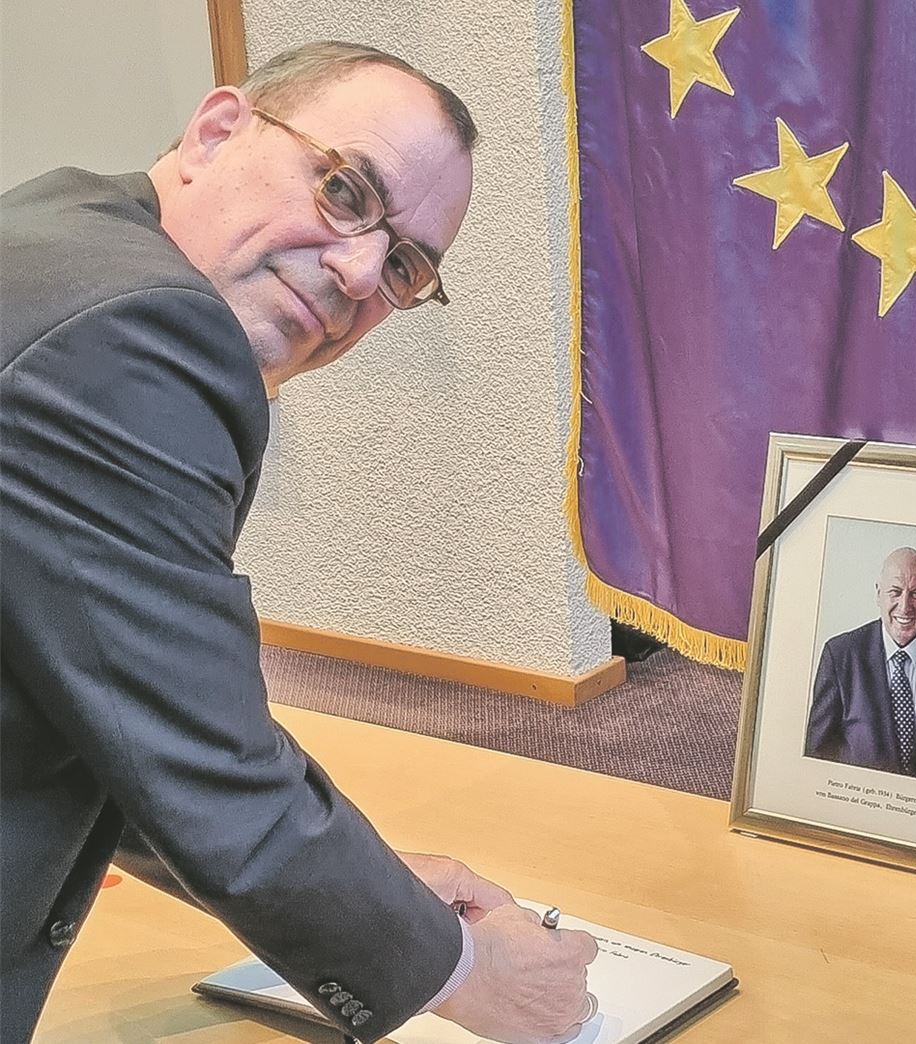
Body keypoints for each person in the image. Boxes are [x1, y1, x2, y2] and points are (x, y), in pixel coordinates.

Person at [0, 41, 596, 1044]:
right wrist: (463, 972)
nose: (361, 272)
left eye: (407, 265)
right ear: (217, 132)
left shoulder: (58, 227)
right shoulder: (144, 332)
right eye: (345, 190)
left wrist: (379, 892)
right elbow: (202, 756)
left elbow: (102, 693)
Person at [804, 547, 916, 786]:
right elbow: (817, 753)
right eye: (895, 592)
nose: (905, 606)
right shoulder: (840, 654)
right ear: (878, 594)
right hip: (855, 804)